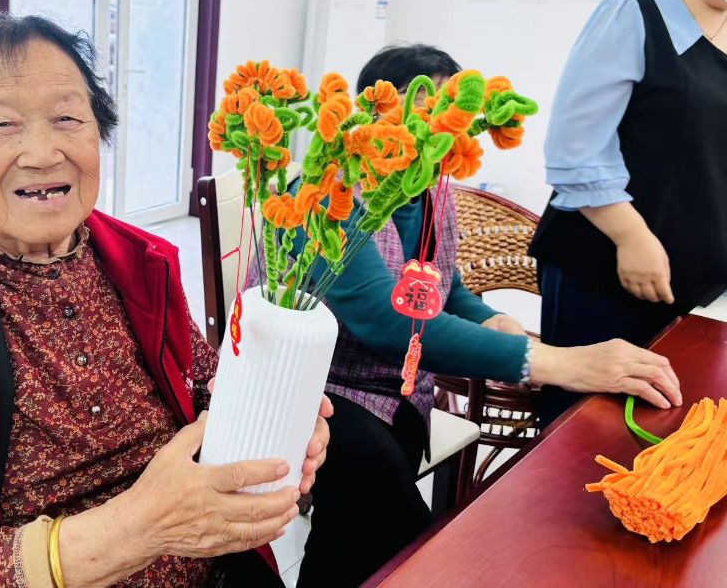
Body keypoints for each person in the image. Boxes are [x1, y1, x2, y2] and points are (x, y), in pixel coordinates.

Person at [0, 14, 331, 588]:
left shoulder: (137, 260)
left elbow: (199, 381)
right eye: (1, 125)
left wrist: (272, 422)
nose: (43, 153)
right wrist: (142, 527)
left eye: (68, 118)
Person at [258, 44, 682, 588]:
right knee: (393, 521)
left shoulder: (429, 192)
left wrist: (488, 320)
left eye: (456, 117)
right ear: (376, 113)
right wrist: (555, 361)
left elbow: (444, 286)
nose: (447, 131)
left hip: (397, 397)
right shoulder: (327, 194)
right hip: (317, 394)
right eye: (432, 111)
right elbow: (387, 319)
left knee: (359, 531)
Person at [531, 0, 727, 426]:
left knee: (676, 436)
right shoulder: (631, 16)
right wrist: (630, 236)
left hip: (698, 287)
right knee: (585, 434)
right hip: (609, 270)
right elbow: (575, 148)